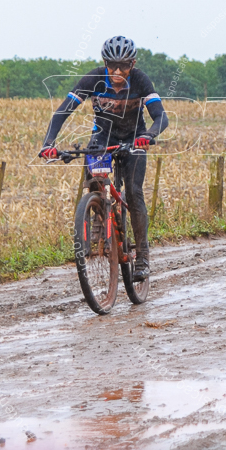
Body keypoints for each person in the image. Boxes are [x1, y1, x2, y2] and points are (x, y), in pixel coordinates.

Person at [38, 36, 169, 281]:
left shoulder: (140, 80)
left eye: (124, 66)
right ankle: (97, 212)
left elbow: (161, 117)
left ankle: (142, 257)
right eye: (112, 66)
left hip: (134, 138)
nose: (117, 72)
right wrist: (49, 144)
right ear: (104, 63)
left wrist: (149, 135)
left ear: (133, 63)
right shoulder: (94, 78)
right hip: (102, 138)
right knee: (95, 178)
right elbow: (62, 111)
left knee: (133, 192)